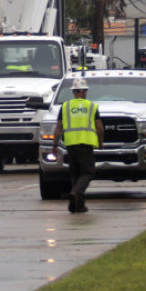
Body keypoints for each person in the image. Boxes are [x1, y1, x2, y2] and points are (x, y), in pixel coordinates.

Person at [51, 77, 104, 213]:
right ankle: (75, 193)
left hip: (70, 144)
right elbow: (99, 127)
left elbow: (58, 128)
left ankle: (77, 206)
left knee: (76, 174)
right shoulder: (91, 106)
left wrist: (54, 145)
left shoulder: (66, 106)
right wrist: (101, 142)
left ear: (74, 91)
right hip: (86, 144)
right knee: (88, 172)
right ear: (84, 91)